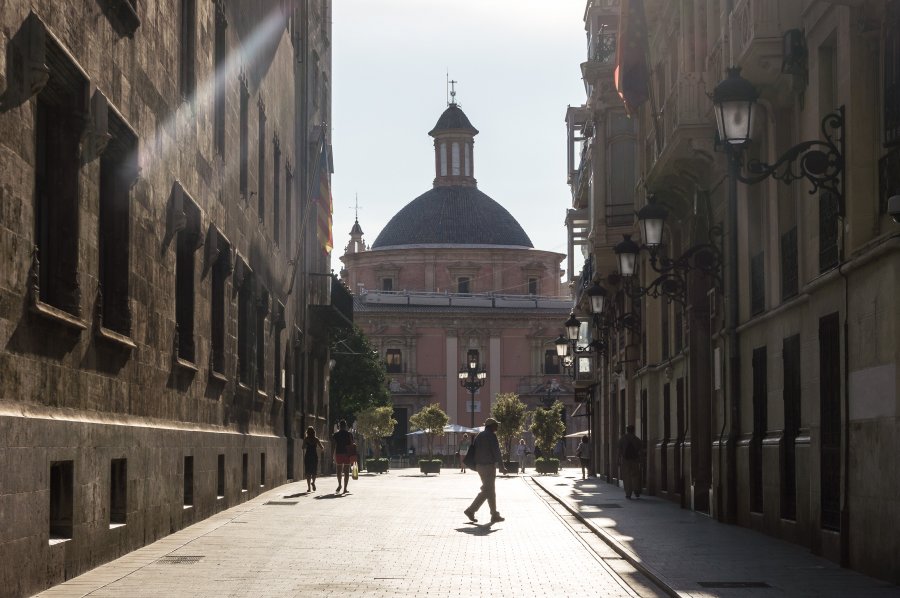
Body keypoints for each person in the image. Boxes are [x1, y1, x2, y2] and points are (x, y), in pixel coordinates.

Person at [464, 418, 507, 524]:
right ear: (491, 426)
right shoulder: (491, 435)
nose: (497, 427)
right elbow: (496, 451)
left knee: (491, 491)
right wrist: (501, 465)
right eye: (495, 425)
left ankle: (494, 514)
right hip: (488, 466)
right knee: (487, 491)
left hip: (479, 466)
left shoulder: (480, 435)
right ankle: (470, 510)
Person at [617, 425, 642, 499]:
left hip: (625, 460)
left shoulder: (622, 439)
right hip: (635, 460)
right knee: (635, 475)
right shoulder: (637, 439)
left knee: (627, 476)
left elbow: (619, 451)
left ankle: (628, 493)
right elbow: (640, 451)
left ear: (627, 430)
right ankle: (636, 490)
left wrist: (618, 460)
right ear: (633, 430)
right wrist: (641, 460)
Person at [332, 420, 355, 494]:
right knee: (346, 472)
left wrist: (333, 454)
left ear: (339, 426)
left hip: (338, 453)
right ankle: (345, 488)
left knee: (339, 471)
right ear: (345, 426)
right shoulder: (349, 434)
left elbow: (333, 445)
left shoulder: (336, 435)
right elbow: (352, 444)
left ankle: (339, 485)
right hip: (347, 454)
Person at [302, 426, 324, 492]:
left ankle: (309, 488)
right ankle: (313, 482)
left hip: (308, 456)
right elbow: (322, 447)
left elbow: (302, 447)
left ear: (307, 432)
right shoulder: (316, 439)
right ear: (314, 432)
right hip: (314, 456)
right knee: (314, 471)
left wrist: (307, 445)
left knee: (308, 472)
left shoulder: (306, 439)